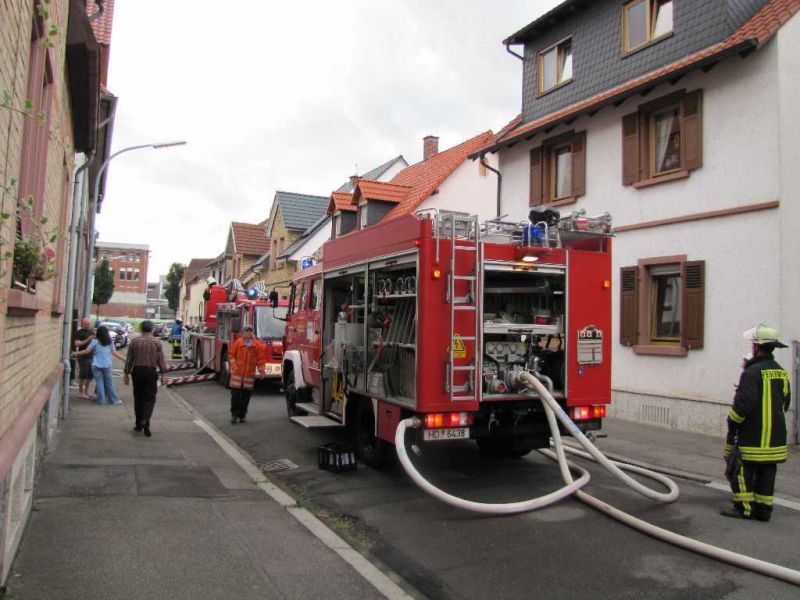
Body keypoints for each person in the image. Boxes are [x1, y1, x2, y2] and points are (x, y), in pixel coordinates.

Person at [721, 325, 791, 522]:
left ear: (756, 347)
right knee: (767, 473)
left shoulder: (751, 373)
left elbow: (743, 405)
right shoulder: (781, 372)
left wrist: (732, 423)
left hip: (752, 436)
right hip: (775, 438)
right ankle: (764, 510)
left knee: (740, 470)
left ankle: (744, 508)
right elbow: (786, 402)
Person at [124, 320, 167, 437]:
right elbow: (161, 360)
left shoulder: (134, 342)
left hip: (137, 371)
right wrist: (164, 374)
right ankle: (146, 419)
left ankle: (138, 423)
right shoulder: (156, 342)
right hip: (150, 372)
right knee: (150, 397)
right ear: (152, 329)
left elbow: (129, 359)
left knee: (138, 397)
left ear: (141, 329)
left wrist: (126, 374)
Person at [73, 325, 125, 406]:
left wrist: (77, 353)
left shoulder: (95, 341)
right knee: (109, 383)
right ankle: (113, 400)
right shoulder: (109, 342)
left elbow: (87, 351)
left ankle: (100, 401)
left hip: (96, 365)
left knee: (99, 382)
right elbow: (114, 353)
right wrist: (123, 359)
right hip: (107, 365)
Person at [228, 324, 266, 424]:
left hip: (249, 377)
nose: (248, 333)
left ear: (252, 333)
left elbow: (260, 359)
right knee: (235, 397)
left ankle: (242, 415)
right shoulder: (238, 343)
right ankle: (234, 415)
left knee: (245, 398)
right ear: (243, 333)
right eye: (246, 331)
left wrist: (262, 371)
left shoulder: (256, 345)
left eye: (250, 331)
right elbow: (231, 355)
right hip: (237, 377)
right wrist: (234, 367)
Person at [74, 317, 96, 400]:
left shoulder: (91, 331)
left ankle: (87, 391)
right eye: (87, 324)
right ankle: (80, 392)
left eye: (89, 324)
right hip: (83, 357)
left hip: (91, 356)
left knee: (90, 375)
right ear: (83, 324)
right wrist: (88, 339)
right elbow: (77, 344)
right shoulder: (79, 332)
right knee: (83, 375)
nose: (88, 325)